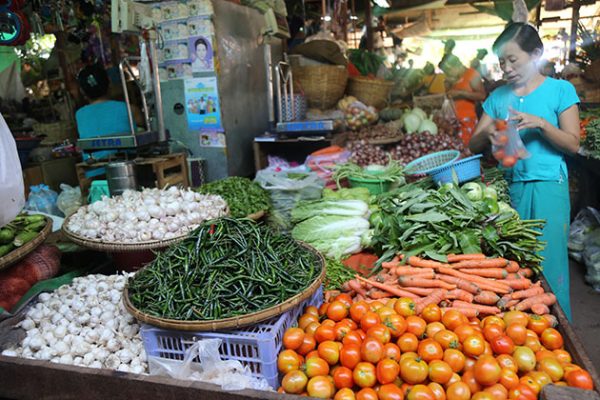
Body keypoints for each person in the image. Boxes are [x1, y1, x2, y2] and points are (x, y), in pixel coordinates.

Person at [469, 23, 580, 320]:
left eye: (512, 60)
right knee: (514, 266)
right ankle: (521, 329)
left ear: (536, 54)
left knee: (550, 264)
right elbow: (473, 144)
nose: (506, 68)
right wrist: (490, 130)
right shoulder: (497, 98)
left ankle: (558, 331)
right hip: (510, 191)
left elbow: (572, 143)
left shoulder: (560, 90)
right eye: (501, 62)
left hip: (549, 188)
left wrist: (541, 124)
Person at [75, 64, 144, 176]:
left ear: (82, 91)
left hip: (95, 175)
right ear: (110, 84)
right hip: (128, 172)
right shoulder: (127, 109)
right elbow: (143, 128)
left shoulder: (79, 115)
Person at [439, 53, 486, 146]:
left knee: (466, 149)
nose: (447, 74)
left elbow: (482, 95)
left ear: (456, 65)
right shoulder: (454, 78)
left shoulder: (472, 74)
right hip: (454, 123)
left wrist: (461, 93)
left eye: (448, 71)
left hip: (468, 121)